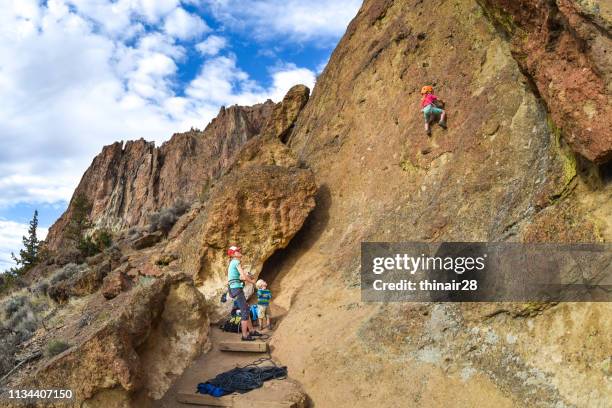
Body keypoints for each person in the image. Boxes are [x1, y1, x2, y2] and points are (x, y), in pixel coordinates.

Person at [227, 245, 262, 341]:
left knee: (246, 308)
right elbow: (243, 276)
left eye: (239, 250)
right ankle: (244, 335)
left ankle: (251, 331)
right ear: (233, 254)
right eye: (237, 251)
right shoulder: (236, 261)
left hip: (234, 289)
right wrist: (253, 282)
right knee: (245, 311)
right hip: (237, 289)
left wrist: (248, 277)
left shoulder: (232, 262)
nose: (239, 251)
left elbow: (241, 276)